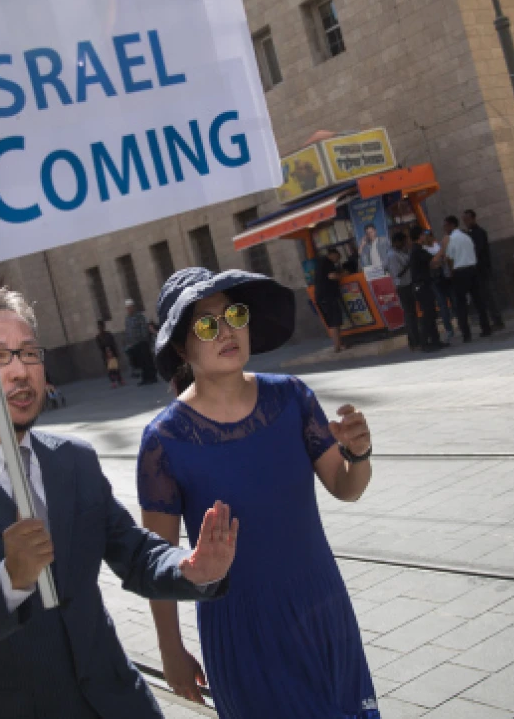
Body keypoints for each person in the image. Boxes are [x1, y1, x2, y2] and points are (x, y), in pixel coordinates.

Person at [0, 289, 237, 719]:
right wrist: (8, 579)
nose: (19, 372)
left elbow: (135, 552)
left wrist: (190, 568)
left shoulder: (74, 460)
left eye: (29, 354)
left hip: (119, 705)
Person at [140, 267, 379, 718]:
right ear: (180, 347)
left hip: (322, 606)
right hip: (240, 627)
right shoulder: (164, 440)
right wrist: (171, 650)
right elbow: (158, 560)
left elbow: (346, 487)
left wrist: (360, 454)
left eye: (234, 314)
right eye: (207, 325)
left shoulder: (291, 398)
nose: (227, 331)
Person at [437, 215, 493, 341]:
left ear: (451, 225)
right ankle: (486, 327)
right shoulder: (466, 236)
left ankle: (466, 334)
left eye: (445, 225)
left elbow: (449, 258)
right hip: (472, 269)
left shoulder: (451, 239)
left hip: (459, 272)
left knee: (460, 304)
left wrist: (451, 272)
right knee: (479, 301)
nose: (444, 228)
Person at [462, 209, 506, 328]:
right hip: (477, 270)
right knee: (485, 296)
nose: (466, 222)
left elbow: (478, 250)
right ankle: (494, 319)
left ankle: (497, 320)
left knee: (490, 295)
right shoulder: (469, 233)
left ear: (473, 219)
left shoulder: (479, 232)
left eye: (467, 219)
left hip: (483, 269)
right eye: (464, 220)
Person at [408, 226, 445, 351]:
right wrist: (443, 249)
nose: (425, 237)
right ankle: (425, 343)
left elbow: (431, 263)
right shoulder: (417, 250)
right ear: (420, 236)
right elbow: (433, 259)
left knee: (431, 313)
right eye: (423, 235)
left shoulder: (419, 250)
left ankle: (435, 340)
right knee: (427, 314)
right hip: (421, 286)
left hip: (425, 284)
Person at [386, 231, 420, 349]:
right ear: (396, 242)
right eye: (403, 242)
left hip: (409, 284)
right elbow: (397, 273)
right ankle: (415, 341)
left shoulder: (402, 252)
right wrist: (409, 264)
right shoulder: (392, 255)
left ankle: (414, 339)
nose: (405, 244)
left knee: (412, 313)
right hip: (403, 286)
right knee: (409, 314)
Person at [313, 248, 346, 352]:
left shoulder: (321, 262)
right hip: (327, 296)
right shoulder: (327, 262)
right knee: (334, 321)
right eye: (338, 257)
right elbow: (332, 276)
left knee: (333, 321)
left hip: (322, 297)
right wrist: (342, 275)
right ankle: (337, 346)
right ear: (333, 254)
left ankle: (338, 344)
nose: (337, 260)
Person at [124, 301, 159, 386]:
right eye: (127, 308)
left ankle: (152, 377)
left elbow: (144, 328)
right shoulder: (127, 319)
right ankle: (145, 378)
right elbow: (128, 331)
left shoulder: (139, 316)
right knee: (140, 362)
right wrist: (129, 342)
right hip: (134, 344)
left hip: (142, 342)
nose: (129, 309)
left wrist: (144, 338)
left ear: (133, 307)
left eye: (130, 307)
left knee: (147, 360)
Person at [95, 320, 121, 384]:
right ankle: (113, 382)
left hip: (112, 353)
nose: (101, 328)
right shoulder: (98, 337)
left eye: (102, 326)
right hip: (105, 355)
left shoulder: (108, 334)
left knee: (115, 368)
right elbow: (100, 346)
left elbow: (113, 343)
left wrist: (115, 352)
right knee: (110, 369)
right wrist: (106, 349)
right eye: (99, 327)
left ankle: (119, 380)